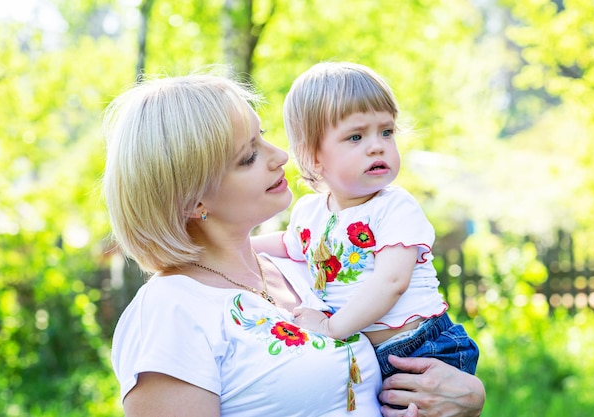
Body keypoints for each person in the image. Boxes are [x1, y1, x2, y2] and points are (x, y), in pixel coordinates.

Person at [103, 69, 485, 417]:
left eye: (263, 137)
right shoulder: (171, 313)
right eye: (249, 156)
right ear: (193, 200)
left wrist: (466, 398)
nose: (280, 156)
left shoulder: (304, 270)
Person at [252, 62, 479, 380]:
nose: (377, 146)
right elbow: (287, 244)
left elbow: (391, 282)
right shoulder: (310, 212)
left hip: (421, 347)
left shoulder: (395, 207)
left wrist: (332, 327)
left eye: (387, 132)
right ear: (314, 155)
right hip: (370, 355)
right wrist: (238, 245)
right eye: (356, 136)